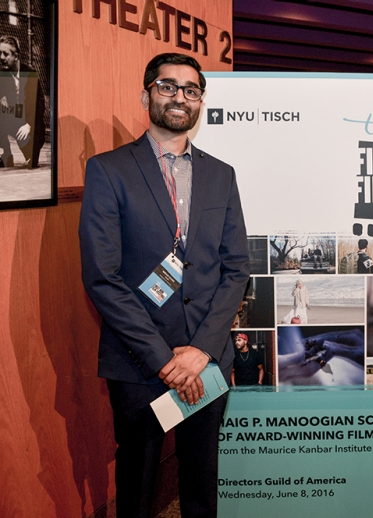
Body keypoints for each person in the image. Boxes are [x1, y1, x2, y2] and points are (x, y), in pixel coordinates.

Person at [79, 53, 250, 518]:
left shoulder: (221, 174)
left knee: (200, 482)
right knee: (137, 483)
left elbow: (236, 268)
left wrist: (202, 351)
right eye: (167, 86)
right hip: (137, 360)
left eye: (191, 90)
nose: (180, 97)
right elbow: (102, 277)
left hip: (206, 358)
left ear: (200, 102)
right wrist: (164, 360)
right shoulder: (108, 170)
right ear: (146, 96)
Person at [0, 35, 46, 168]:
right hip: (12, 117)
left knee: (32, 162)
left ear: (16, 56)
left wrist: (28, 124)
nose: (1, 57)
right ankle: (5, 155)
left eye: (5, 54)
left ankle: (29, 151)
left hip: (28, 121)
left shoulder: (29, 72)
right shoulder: (2, 73)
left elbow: (39, 105)